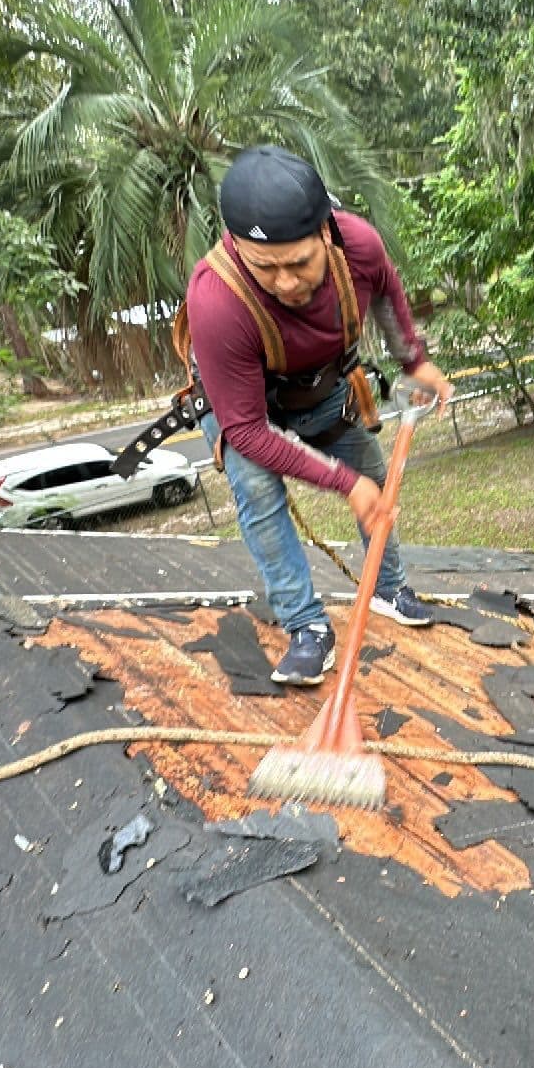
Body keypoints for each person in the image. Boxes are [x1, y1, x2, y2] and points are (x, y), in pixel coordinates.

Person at [186, 145, 453, 685]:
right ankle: (306, 625)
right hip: (248, 409)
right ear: (236, 247)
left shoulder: (360, 247)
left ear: (327, 233)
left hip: (324, 391)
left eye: (298, 263)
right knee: (259, 494)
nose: (285, 282)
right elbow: (246, 431)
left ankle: (387, 587)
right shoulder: (216, 300)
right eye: (266, 267)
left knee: (375, 479)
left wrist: (415, 361)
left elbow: (387, 295)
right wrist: (339, 481)